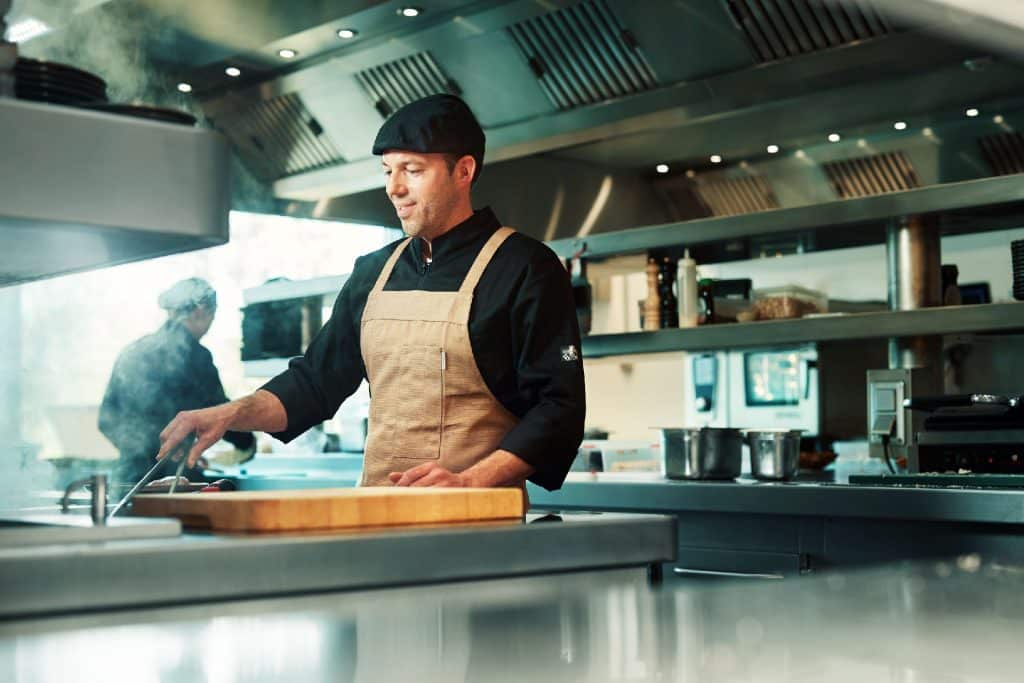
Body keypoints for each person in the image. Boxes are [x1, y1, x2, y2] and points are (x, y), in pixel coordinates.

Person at [157, 94, 585, 491]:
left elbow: (558, 407)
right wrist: (232, 413)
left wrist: (471, 481)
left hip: (479, 523)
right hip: (380, 515)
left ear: (464, 171)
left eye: (412, 171)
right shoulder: (373, 272)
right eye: (388, 171)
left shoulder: (525, 267)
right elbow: (314, 383)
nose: (394, 188)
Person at [98, 278, 255, 487]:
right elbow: (218, 413)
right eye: (213, 315)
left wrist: (138, 453)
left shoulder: (132, 351)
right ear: (200, 311)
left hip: (129, 478)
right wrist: (247, 442)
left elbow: (105, 420)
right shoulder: (197, 357)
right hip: (175, 482)